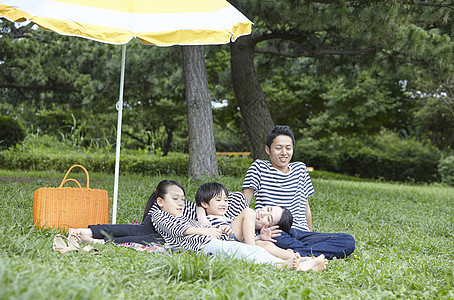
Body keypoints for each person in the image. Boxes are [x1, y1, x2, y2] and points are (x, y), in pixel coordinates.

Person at [150, 179, 327, 272]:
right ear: (160, 201)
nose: (181, 203)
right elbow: (180, 230)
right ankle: (288, 266)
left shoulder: (184, 214)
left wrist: (214, 228)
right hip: (204, 245)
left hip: (214, 241)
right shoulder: (159, 215)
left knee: (251, 249)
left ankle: (303, 261)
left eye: (182, 199)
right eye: (175, 199)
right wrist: (207, 229)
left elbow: (200, 211)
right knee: (247, 250)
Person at [242, 125, 355, 259]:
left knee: (347, 241)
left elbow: (305, 207)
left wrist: (310, 233)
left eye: (288, 148)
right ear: (268, 149)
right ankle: (306, 253)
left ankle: (296, 253)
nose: (284, 152)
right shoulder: (258, 167)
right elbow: (244, 205)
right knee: (276, 239)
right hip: (274, 231)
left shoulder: (300, 169)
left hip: (300, 232)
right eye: (278, 148)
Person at [195, 182, 307, 261]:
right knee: (249, 212)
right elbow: (206, 200)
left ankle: (299, 259)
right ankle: (253, 252)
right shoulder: (234, 208)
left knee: (265, 244)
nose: (263, 213)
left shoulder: (255, 233)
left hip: (238, 242)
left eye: (268, 219)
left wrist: (259, 238)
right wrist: (201, 213)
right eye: (267, 209)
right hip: (221, 239)